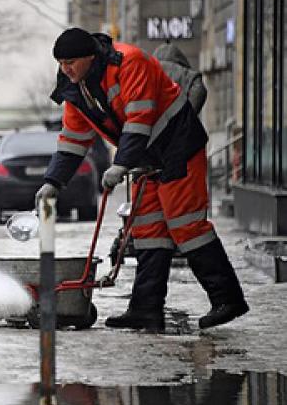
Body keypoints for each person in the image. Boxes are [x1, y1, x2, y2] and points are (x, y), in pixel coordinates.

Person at [35, 27, 248, 331]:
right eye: (60, 63)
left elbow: (140, 118)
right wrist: (52, 182)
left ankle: (228, 299)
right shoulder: (76, 89)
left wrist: (121, 164)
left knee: (187, 226)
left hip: (178, 147)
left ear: (89, 57)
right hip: (145, 159)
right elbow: (72, 140)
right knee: (148, 233)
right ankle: (145, 309)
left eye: (70, 61)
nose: (65, 68)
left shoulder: (129, 62)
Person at [152, 42, 207, 113]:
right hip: (180, 118)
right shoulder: (186, 73)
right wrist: (187, 116)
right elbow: (199, 90)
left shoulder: (148, 71)